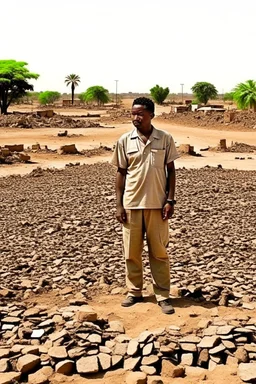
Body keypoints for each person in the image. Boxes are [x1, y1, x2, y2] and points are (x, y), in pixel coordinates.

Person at [111, 97, 179, 314]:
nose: (135, 118)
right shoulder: (124, 140)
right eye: (133, 114)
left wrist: (170, 200)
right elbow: (121, 173)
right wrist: (119, 205)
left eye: (140, 114)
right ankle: (135, 292)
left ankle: (162, 295)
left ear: (151, 115)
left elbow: (171, 171)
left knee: (159, 252)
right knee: (131, 252)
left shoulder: (165, 138)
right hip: (132, 204)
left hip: (158, 206)